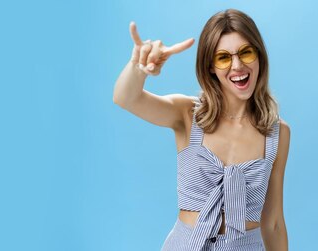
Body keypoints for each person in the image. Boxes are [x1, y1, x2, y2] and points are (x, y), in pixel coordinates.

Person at [112, 9, 290, 251]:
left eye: (246, 53)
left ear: (259, 56)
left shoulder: (277, 133)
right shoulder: (187, 115)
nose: (237, 66)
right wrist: (138, 66)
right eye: (223, 58)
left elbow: (274, 223)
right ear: (210, 67)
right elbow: (126, 98)